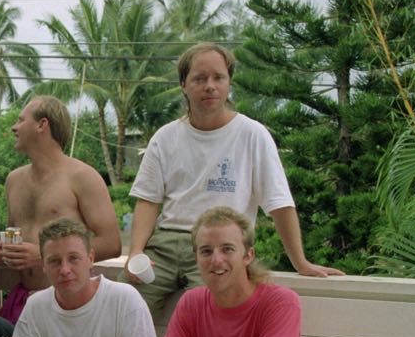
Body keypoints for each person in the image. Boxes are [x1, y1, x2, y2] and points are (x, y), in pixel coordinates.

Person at [125, 42, 343, 321]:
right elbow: (148, 200)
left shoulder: (253, 134)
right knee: (125, 304)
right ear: (183, 84)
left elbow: (279, 203)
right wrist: (135, 253)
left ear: (229, 83)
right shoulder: (165, 137)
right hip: (165, 245)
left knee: (202, 314)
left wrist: (300, 262)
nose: (210, 86)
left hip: (221, 247)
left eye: (218, 77)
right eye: (199, 78)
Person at [143, 207, 302, 337]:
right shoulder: (192, 302)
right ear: (196, 258)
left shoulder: (281, 303)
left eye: (227, 249)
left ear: (248, 256)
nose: (216, 260)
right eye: (206, 251)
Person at [0, 96, 120, 323]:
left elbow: (112, 243)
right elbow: (16, 241)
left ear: (42, 125)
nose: (14, 127)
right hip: (23, 302)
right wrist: (3, 254)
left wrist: (43, 255)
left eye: (21, 120)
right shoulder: (14, 180)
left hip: (68, 304)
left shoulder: (82, 177)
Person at [0, 218, 156, 337]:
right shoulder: (35, 305)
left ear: (90, 258)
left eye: (73, 258)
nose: (65, 270)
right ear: (43, 266)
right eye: (54, 261)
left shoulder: (124, 298)